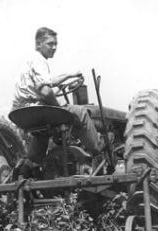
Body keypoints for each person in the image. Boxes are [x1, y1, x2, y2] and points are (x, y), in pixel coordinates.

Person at [12, 27, 104, 164]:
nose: (54, 47)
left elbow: (47, 82)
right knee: (81, 112)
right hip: (35, 108)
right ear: (38, 44)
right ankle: (99, 150)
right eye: (50, 44)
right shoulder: (39, 60)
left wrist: (69, 75)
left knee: (43, 131)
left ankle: (32, 164)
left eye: (56, 44)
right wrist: (58, 107)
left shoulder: (31, 60)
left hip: (20, 112)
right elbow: (46, 91)